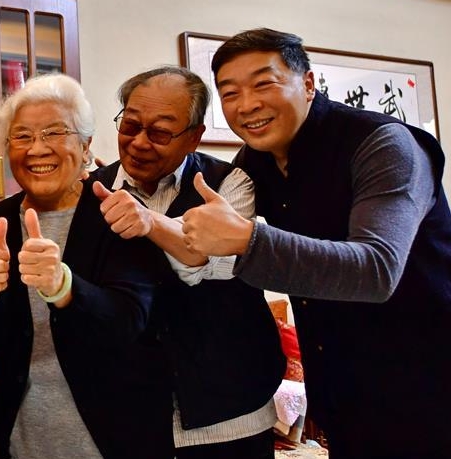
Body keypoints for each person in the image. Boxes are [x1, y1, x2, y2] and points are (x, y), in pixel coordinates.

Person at [181, 27, 451, 459]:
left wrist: (248, 239)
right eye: (230, 93)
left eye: (263, 84)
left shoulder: (383, 144)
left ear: (308, 84)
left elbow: (376, 269)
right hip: (345, 395)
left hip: (429, 387)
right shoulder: (256, 160)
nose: (246, 105)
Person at [0, 73, 170, 459]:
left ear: (86, 147)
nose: (37, 149)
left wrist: (63, 287)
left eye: (55, 133)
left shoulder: (119, 214)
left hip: (117, 441)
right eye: (22, 136)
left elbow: (130, 321)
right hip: (20, 441)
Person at [91, 66, 284, 459]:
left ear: (194, 137)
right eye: (130, 126)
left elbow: (215, 262)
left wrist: (149, 222)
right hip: (130, 417)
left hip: (231, 414)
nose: (139, 143)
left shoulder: (229, 184)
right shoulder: (93, 191)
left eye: (160, 132)